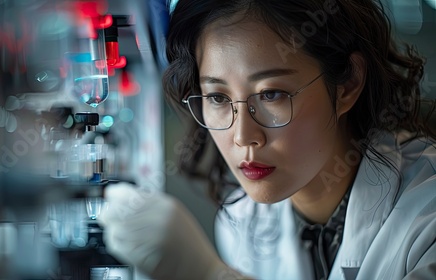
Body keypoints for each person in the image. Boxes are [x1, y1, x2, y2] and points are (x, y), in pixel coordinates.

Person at [97, 0, 436, 279]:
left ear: (347, 84)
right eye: (217, 97)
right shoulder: (243, 225)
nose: (244, 136)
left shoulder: (427, 220)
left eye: (271, 94)